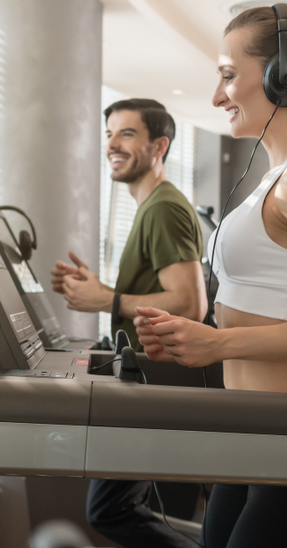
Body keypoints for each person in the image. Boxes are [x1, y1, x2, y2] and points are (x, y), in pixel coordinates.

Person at [135, 7, 287, 548]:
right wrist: (184, 338)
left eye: (227, 75)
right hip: (248, 435)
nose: (218, 97)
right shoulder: (275, 177)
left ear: (283, 76)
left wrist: (218, 343)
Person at [50, 98, 207, 548]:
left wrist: (107, 298)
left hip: (154, 379)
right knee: (114, 508)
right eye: (109, 134)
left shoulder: (162, 207)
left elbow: (189, 304)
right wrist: (98, 289)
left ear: (160, 145)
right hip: (140, 376)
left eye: (127, 134)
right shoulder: (152, 205)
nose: (112, 145)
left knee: (110, 509)